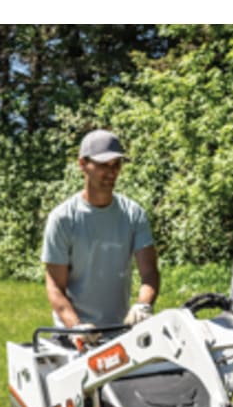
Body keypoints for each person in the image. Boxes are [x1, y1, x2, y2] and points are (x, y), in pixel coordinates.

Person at [41, 129, 159, 339]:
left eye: (116, 165)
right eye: (104, 165)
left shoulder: (133, 214)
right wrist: (76, 327)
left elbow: (149, 272)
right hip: (73, 334)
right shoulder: (63, 219)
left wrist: (143, 305)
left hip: (120, 331)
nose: (112, 172)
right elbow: (55, 286)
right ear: (83, 165)